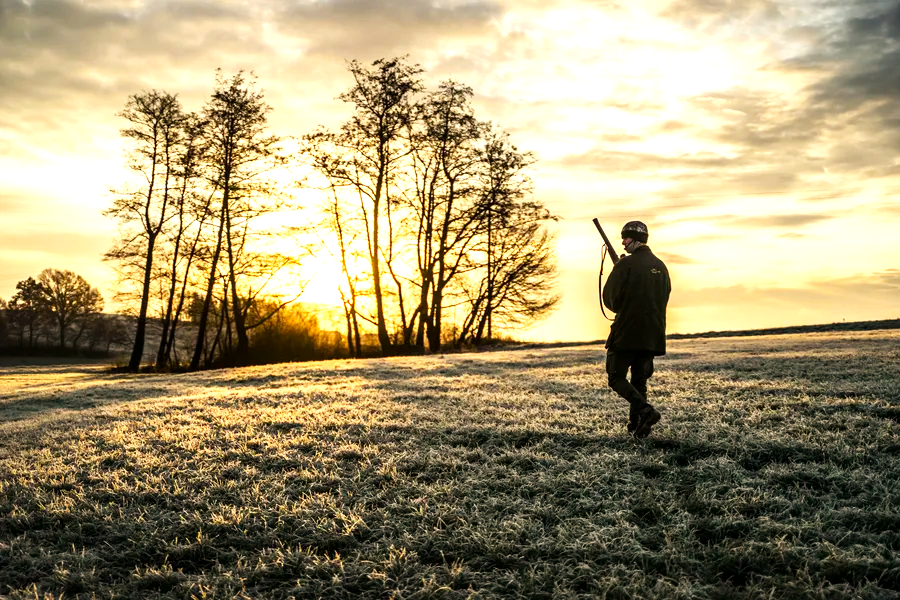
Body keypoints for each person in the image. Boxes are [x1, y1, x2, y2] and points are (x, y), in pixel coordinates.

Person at [602, 220, 671, 438]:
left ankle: (646, 412)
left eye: (626, 238)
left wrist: (620, 272)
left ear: (635, 239)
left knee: (616, 377)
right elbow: (664, 296)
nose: (622, 243)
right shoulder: (661, 266)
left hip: (627, 333)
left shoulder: (626, 265)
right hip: (652, 334)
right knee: (639, 381)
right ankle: (636, 427)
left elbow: (611, 301)